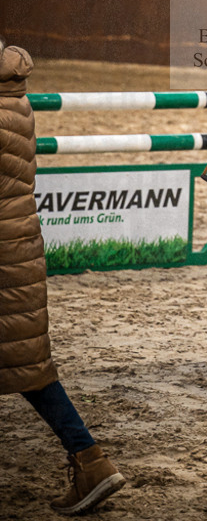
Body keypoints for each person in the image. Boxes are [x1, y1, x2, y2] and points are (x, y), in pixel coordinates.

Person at [0, 39, 126, 515]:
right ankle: (91, 460)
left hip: (5, 255)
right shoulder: (14, 96)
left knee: (29, 369)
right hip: (16, 251)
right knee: (29, 369)